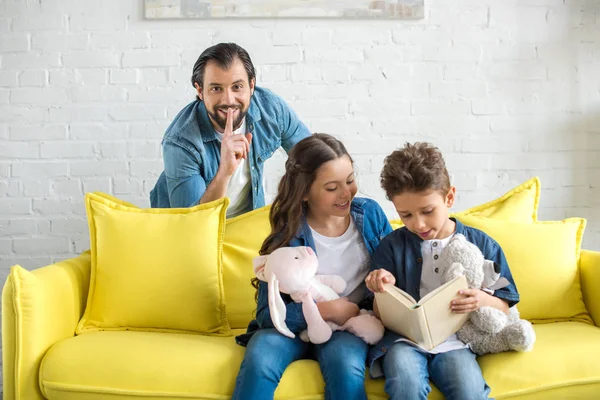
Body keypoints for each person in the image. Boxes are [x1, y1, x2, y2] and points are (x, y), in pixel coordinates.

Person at [233, 134, 393, 400]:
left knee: (345, 364)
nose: (346, 193)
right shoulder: (290, 230)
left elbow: (394, 268)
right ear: (305, 192)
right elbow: (266, 314)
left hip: (348, 327)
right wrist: (326, 309)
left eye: (350, 180)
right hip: (291, 328)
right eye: (332, 188)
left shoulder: (369, 215)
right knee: (261, 357)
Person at [365, 142, 520, 400]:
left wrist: (482, 299)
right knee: (405, 385)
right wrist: (382, 287)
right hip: (404, 342)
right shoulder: (391, 247)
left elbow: (507, 302)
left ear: (449, 197)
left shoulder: (481, 244)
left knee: (468, 390)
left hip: (456, 341)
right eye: (406, 215)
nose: (419, 224)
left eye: (427, 211)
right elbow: (379, 313)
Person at [150, 42, 311, 217]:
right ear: (200, 90)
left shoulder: (271, 110)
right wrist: (224, 171)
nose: (228, 100)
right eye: (216, 88)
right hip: (190, 231)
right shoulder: (180, 142)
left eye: (237, 87)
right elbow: (193, 222)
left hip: (245, 221)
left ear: (251, 85)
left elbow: (313, 160)